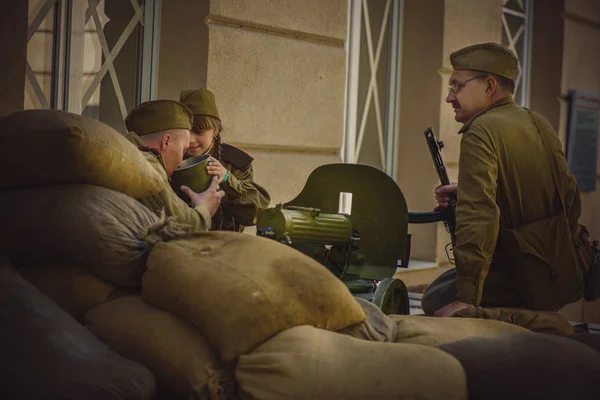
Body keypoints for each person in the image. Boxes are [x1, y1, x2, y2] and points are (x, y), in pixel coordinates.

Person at [421, 43, 594, 317]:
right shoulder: (537, 121)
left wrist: (467, 299)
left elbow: (478, 216)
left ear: (489, 86)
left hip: (515, 279)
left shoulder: (481, 130)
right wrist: (465, 191)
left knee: (433, 300)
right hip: (555, 274)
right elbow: (567, 198)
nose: (449, 98)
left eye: (457, 87)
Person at [124, 99, 224, 232]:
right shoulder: (148, 168)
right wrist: (204, 209)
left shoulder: (128, 153)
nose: (181, 160)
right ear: (166, 141)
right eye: (183, 150)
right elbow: (184, 226)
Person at [180, 89, 271, 232]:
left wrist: (228, 180)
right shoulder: (172, 158)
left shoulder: (234, 162)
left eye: (198, 132)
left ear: (214, 130)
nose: (191, 139)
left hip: (226, 244)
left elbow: (254, 212)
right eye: (187, 131)